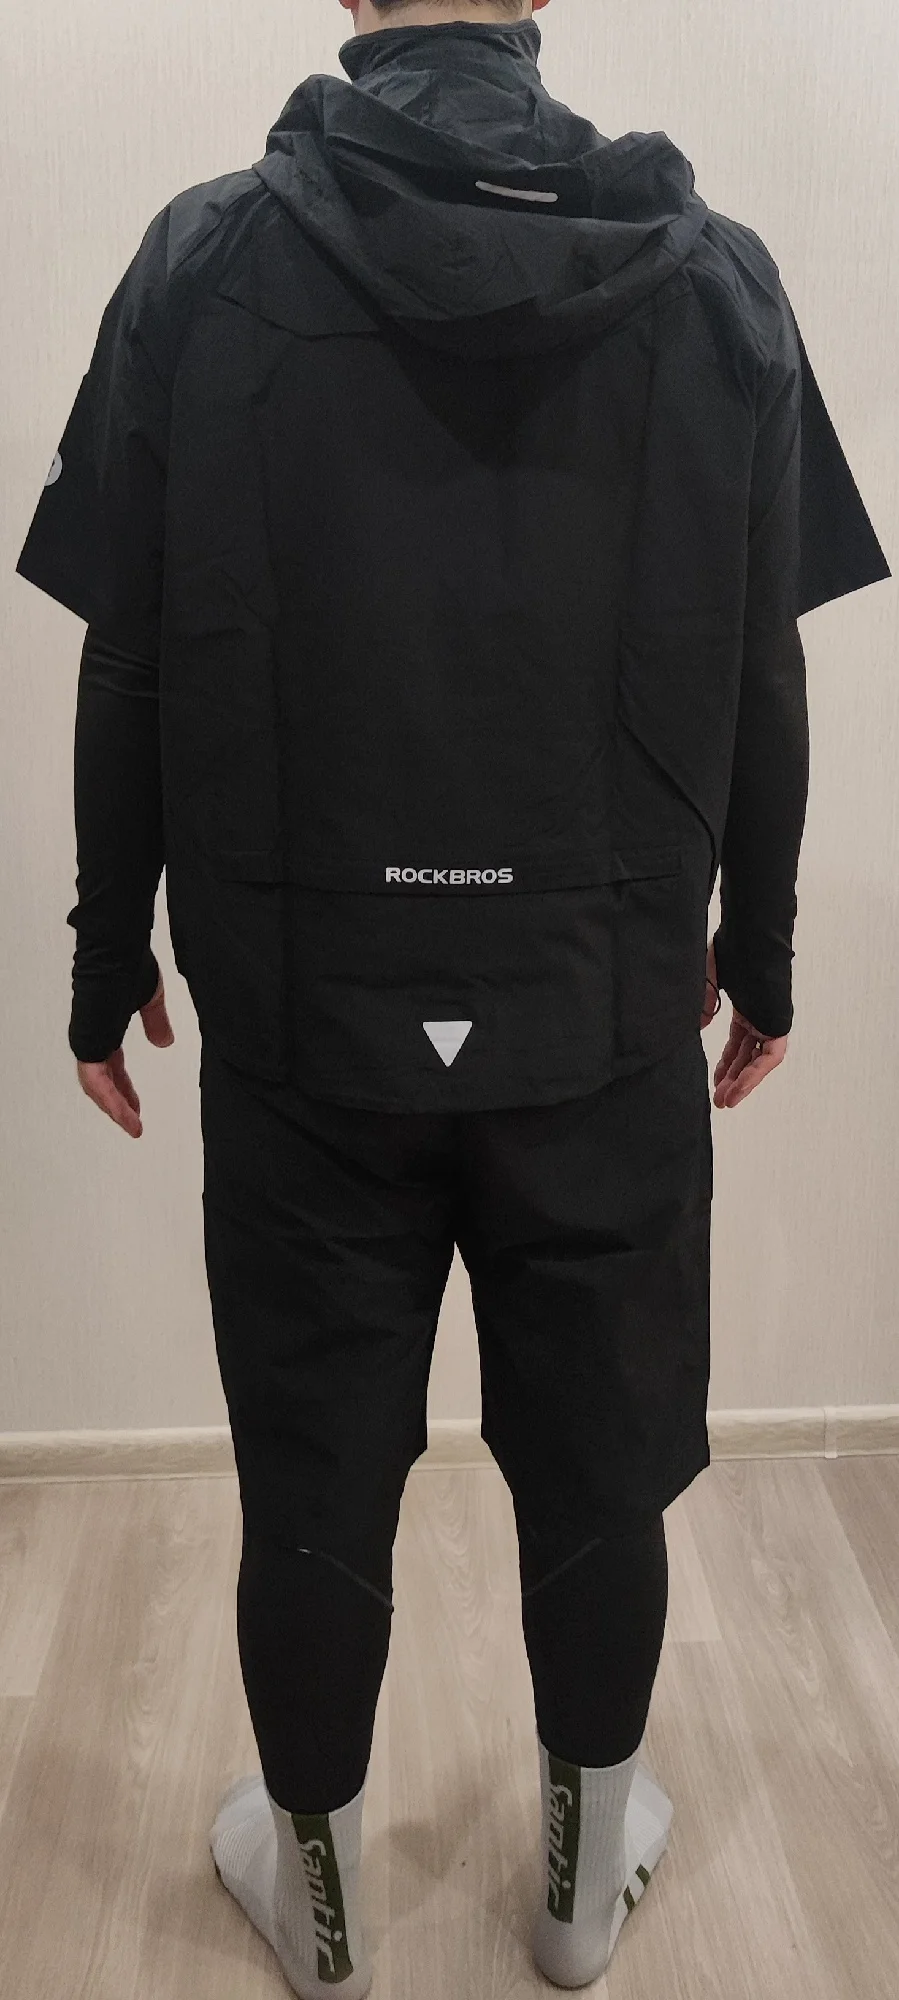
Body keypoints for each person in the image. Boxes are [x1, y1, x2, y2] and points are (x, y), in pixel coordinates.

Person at [14, 0, 891, 1993]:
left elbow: (127, 649)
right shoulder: (719, 281)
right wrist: (758, 957)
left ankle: (319, 1911)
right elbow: (760, 662)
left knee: (311, 1462)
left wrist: (102, 956)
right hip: (597, 1012)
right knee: (596, 1451)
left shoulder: (201, 261)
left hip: (306, 1016)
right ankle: (577, 1899)